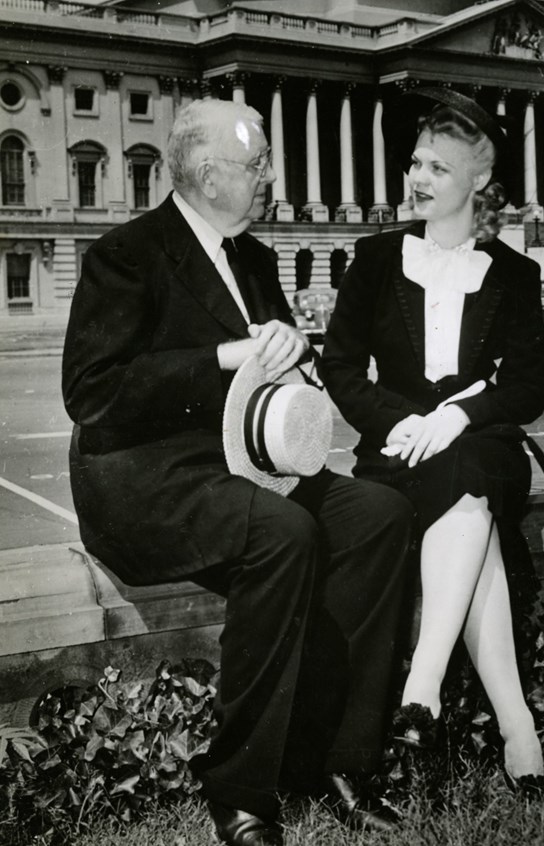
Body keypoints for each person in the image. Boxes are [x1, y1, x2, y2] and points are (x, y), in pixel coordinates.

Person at [62, 99, 415, 845]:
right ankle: (242, 790)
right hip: (146, 479)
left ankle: (333, 759)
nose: (269, 180)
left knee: (379, 514)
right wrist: (217, 361)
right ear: (206, 172)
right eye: (256, 166)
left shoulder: (254, 257)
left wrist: (294, 346)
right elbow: (92, 393)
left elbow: (284, 382)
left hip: (249, 465)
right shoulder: (126, 254)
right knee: (282, 534)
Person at [322, 88, 544, 796]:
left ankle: (421, 687)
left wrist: (456, 416)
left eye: (438, 168)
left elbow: (527, 388)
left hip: (476, 443)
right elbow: (338, 367)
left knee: (473, 468)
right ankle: (517, 727)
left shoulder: (515, 274)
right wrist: (397, 422)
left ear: (479, 182)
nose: (418, 178)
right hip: (395, 448)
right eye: (417, 162)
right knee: (473, 519)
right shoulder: (374, 257)